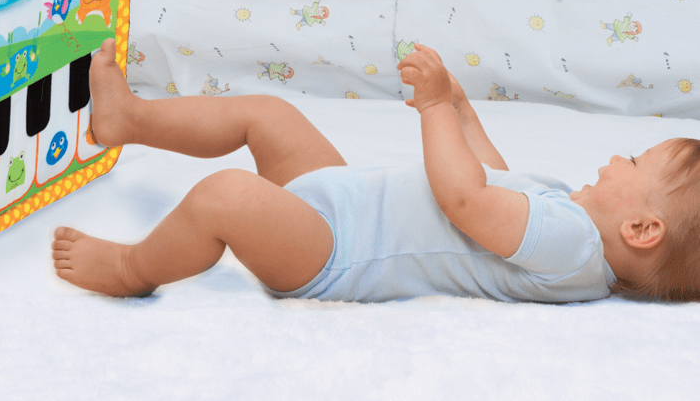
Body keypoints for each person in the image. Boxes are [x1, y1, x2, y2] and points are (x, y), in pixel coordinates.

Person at [52, 40, 700, 303]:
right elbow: (493, 182)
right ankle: (128, 119)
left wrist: (435, 109)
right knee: (269, 116)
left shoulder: (576, 249)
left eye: (634, 162)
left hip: (334, 251)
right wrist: (463, 113)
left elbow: (466, 201)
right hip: (341, 203)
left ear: (643, 230)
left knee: (227, 195)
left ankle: (133, 269)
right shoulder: (572, 227)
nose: (616, 158)